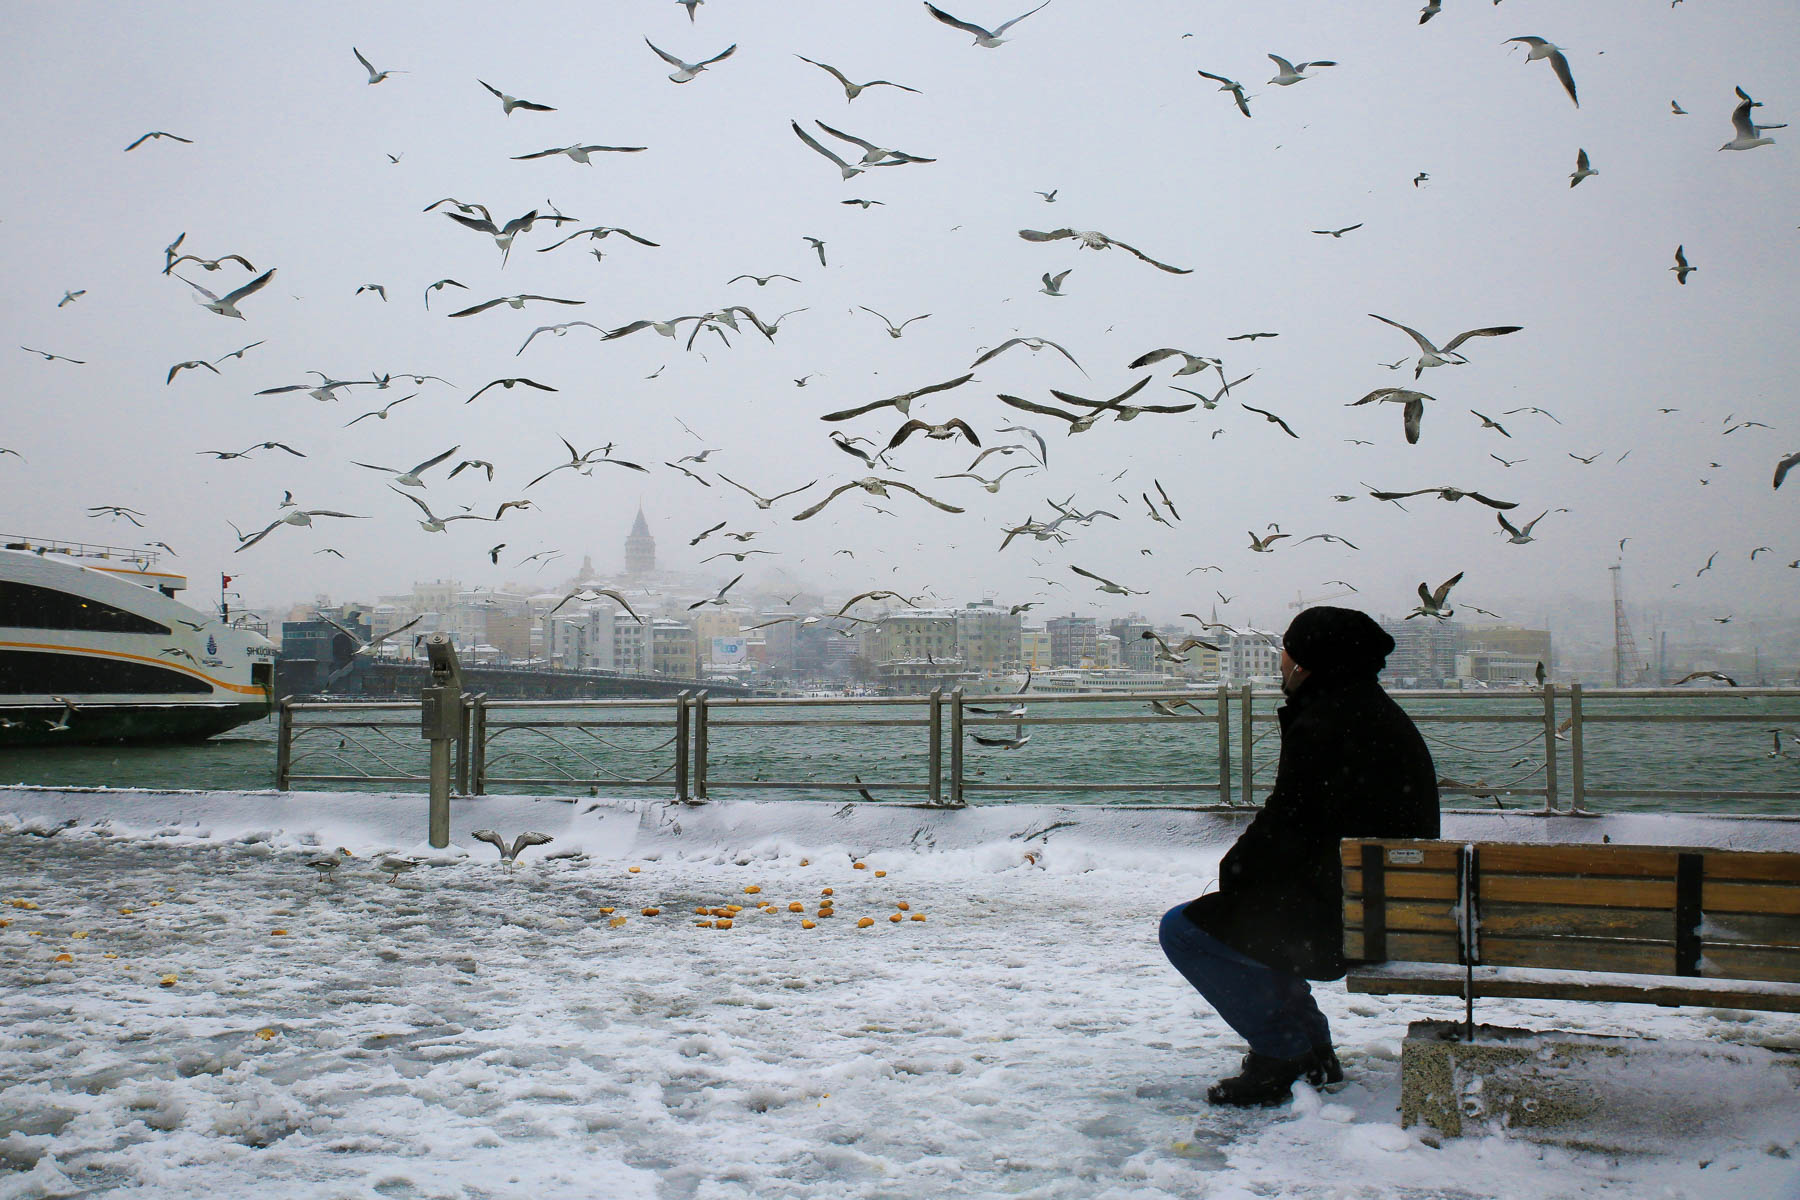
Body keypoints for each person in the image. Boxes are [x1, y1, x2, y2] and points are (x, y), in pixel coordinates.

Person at [1159, 606, 1439, 1107]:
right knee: (1255, 917)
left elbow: (1290, 819)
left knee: (1184, 930)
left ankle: (1285, 1051)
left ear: (1308, 659)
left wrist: (1236, 873)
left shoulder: (1327, 721)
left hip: (1350, 920)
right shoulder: (1371, 712)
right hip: (1386, 908)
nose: (1280, 660)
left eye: (1286, 649)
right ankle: (1309, 1048)